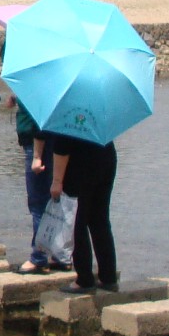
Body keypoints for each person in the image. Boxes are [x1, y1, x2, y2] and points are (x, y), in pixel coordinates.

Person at [42, 115, 119, 293]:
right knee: (100, 221)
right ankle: (108, 278)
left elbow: (62, 147)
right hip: (106, 158)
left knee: (77, 223)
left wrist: (56, 181)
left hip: (80, 167)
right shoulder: (100, 106)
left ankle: (84, 280)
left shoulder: (67, 111)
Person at [12, 93, 56, 274]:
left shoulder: (35, 87)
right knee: (54, 201)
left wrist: (37, 157)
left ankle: (39, 257)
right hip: (52, 144)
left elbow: (41, 121)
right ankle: (60, 255)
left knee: (38, 202)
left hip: (39, 146)